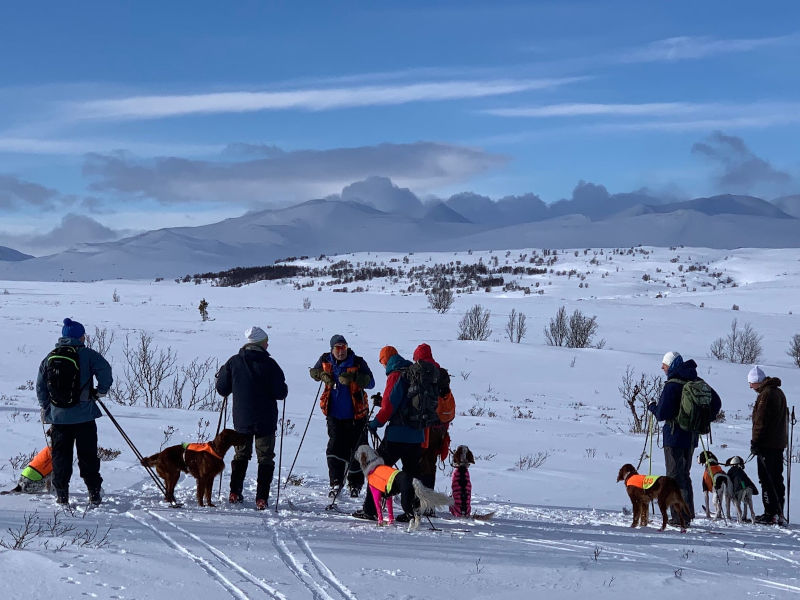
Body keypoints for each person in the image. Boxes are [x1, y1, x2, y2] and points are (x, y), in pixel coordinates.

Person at [36, 318, 112, 505]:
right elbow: (105, 370)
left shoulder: (50, 357)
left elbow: (40, 386)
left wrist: (48, 408)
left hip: (59, 418)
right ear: (80, 336)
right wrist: (100, 392)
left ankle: (62, 494)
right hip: (85, 416)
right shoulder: (88, 355)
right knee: (87, 455)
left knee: (61, 456)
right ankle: (94, 491)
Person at [216, 326, 288, 510]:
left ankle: (234, 492)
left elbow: (222, 389)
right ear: (260, 343)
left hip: (242, 419)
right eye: (266, 341)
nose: (268, 344)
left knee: (241, 455)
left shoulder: (233, 362)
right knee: (265, 458)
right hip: (266, 420)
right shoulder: (271, 365)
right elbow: (281, 393)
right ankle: (261, 498)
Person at [648, 351, 721, 526]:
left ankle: (680, 517)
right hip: (691, 437)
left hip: (673, 437)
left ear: (671, 365)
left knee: (674, 477)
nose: (662, 368)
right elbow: (717, 402)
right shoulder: (696, 381)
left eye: (664, 365)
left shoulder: (672, 385)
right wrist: (703, 418)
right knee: (684, 475)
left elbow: (662, 414)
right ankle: (687, 514)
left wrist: (652, 407)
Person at [354, 346, 425, 521]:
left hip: (397, 435)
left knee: (377, 471)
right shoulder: (415, 374)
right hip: (417, 435)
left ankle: (370, 509)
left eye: (381, 361)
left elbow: (389, 406)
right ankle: (411, 511)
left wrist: (375, 423)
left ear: (385, 360)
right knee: (411, 474)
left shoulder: (395, 375)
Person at [309, 334, 374, 498]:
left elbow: (371, 382)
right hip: (333, 414)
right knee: (335, 448)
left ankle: (356, 484)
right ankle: (336, 481)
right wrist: (322, 375)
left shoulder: (357, 362)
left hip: (357, 416)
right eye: (337, 348)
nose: (341, 351)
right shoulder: (325, 359)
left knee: (358, 450)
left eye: (343, 347)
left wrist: (355, 378)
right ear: (331, 349)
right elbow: (313, 372)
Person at [748, 365, 788, 525]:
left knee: (766, 479)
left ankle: (770, 513)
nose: (750, 386)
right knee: (776, 479)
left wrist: (756, 441)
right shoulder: (777, 391)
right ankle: (778, 512)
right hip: (777, 443)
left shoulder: (766, 394)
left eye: (751, 382)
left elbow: (761, 421)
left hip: (767, 445)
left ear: (757, 381)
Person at [413, 343, 454, 490]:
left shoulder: (422, 372)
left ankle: (419, 501)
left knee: (420, 463)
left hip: (425, 428)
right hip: (440, 429)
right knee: (431, 464)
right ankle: (429, 503)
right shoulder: (441, 373)